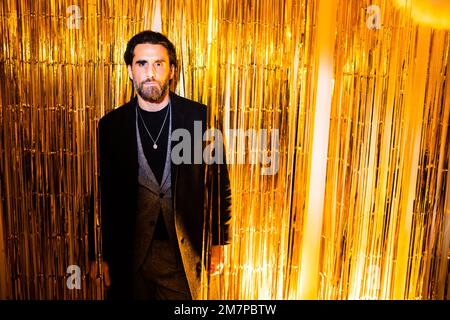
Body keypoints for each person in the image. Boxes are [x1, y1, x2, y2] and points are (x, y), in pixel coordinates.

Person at [88, 31, 232, 300]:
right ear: (130, 71)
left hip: (182, 253)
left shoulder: (200, 117)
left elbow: (219, 182)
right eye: (142, 64)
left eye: (159, 64)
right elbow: (99, 194)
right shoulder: (111, 126)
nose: (150, 72)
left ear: (172, 70)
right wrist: (98, 253)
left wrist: (219, 242)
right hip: (128, 256)